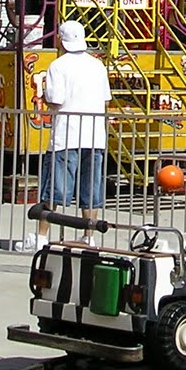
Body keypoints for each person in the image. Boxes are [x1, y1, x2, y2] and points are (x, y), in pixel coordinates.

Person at [37, 19, 112, 242]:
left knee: (55, 189)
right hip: (94, 134)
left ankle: (42, 236)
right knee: (91, 188)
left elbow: (56, 100)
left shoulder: (58, 65)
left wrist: (45, 99)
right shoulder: (98, 65)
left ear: (60, 39)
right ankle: (89, 236)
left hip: (66, 134)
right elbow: (106, 100)